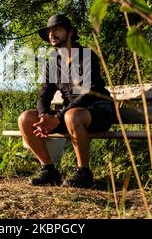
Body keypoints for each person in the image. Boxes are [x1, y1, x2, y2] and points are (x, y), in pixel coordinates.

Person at [18, 14, 114, 188]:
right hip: (69, 114)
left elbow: (89, 92)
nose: (51, 33)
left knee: (72, 115)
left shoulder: (85, 55)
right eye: (49, 31)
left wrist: (59, 116)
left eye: (56, 29)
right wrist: (43, 116)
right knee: (25, 118)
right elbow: (44, 95)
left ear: (69, 32)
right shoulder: (53, 63)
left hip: (97, 110)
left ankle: (84, 173)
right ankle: (48, 170)